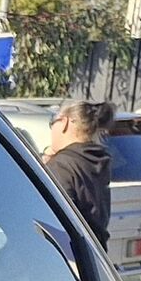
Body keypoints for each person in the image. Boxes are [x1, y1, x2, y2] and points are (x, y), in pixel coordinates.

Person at [41, 98, 113, 242]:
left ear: (65, 122)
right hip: (94, 254)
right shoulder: (95, 161)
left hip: (70, 257)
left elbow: (54, 222)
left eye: (52, 122)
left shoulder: (61, 167)